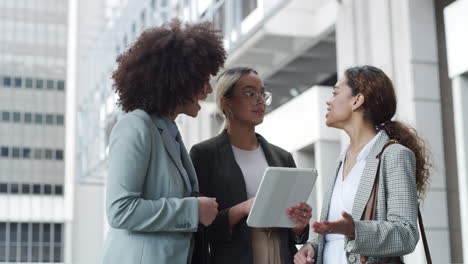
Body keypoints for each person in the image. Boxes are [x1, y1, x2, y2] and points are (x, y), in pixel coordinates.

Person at [101, 20, 226, 264]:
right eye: (202, 80)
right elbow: (120, 210)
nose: (209, 90)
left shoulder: (169, 132)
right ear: (178, 80)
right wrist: (193, 210)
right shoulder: (135, 126)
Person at [294, 65, 430, 264]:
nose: (329, 101)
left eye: (335, 93)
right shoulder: (340, 160)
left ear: (357, 100)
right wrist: (312, 247)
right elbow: (335, 238)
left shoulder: (394, 155)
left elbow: (406, 234)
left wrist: (354, 230)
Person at [190, 67, 312, 264]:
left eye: (263, 93)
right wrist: (245, 208)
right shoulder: (204, 155)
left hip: (281, 257)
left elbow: (296, 235)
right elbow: (200, 226)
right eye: (250, 93)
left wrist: (299, 224)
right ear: (226, 101)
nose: (260, 100)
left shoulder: (283, 157)